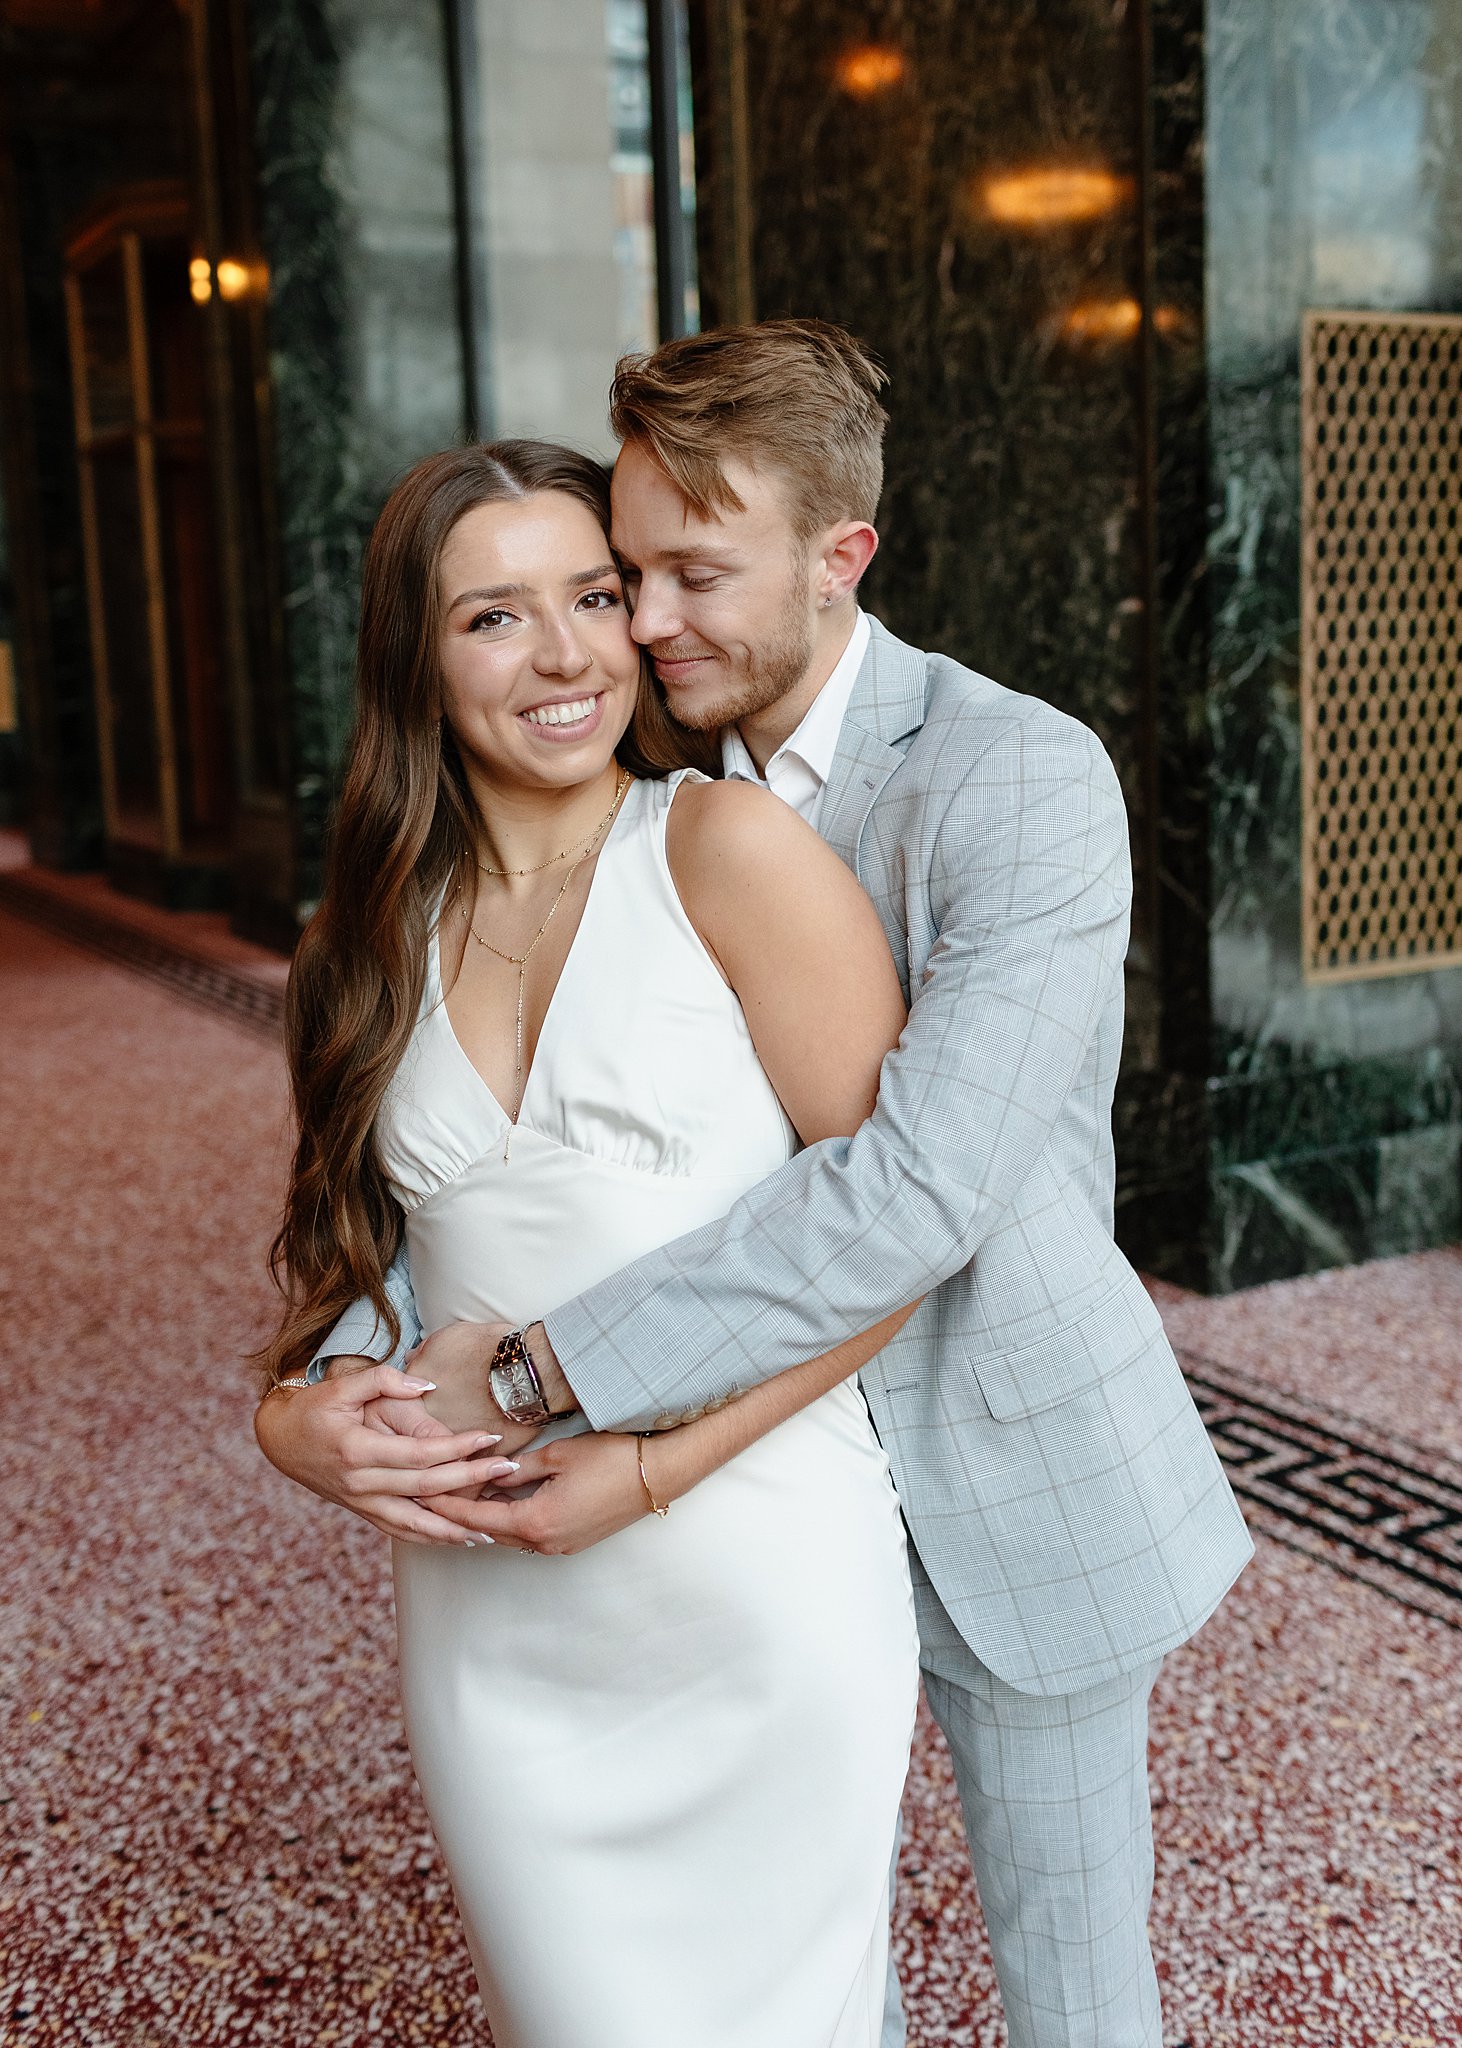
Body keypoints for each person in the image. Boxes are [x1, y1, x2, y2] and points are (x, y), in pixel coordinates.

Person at [259, 321, 1254, 2048]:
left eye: (683, 577)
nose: (635, 627)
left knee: (1076, 1992)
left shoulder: (1013, 774)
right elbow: (478, 1178)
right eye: (618, 572)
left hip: (1001, 1451)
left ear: (837, 556)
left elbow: (916, 1192)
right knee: (793, 1990)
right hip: (746, 1502)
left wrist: (538, 1383)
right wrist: (311, 1392)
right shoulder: (628, 778)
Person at [255, 436, 922, 2048]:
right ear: (418, 656)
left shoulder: (731, 854)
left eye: (595, 595)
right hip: (493, 1615)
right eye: (494, 615)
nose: (563, 655)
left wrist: (648, 1473)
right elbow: (348, 1264)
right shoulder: (359, 938)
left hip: (755, 1570)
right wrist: (293, 1423)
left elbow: (888, 1242)